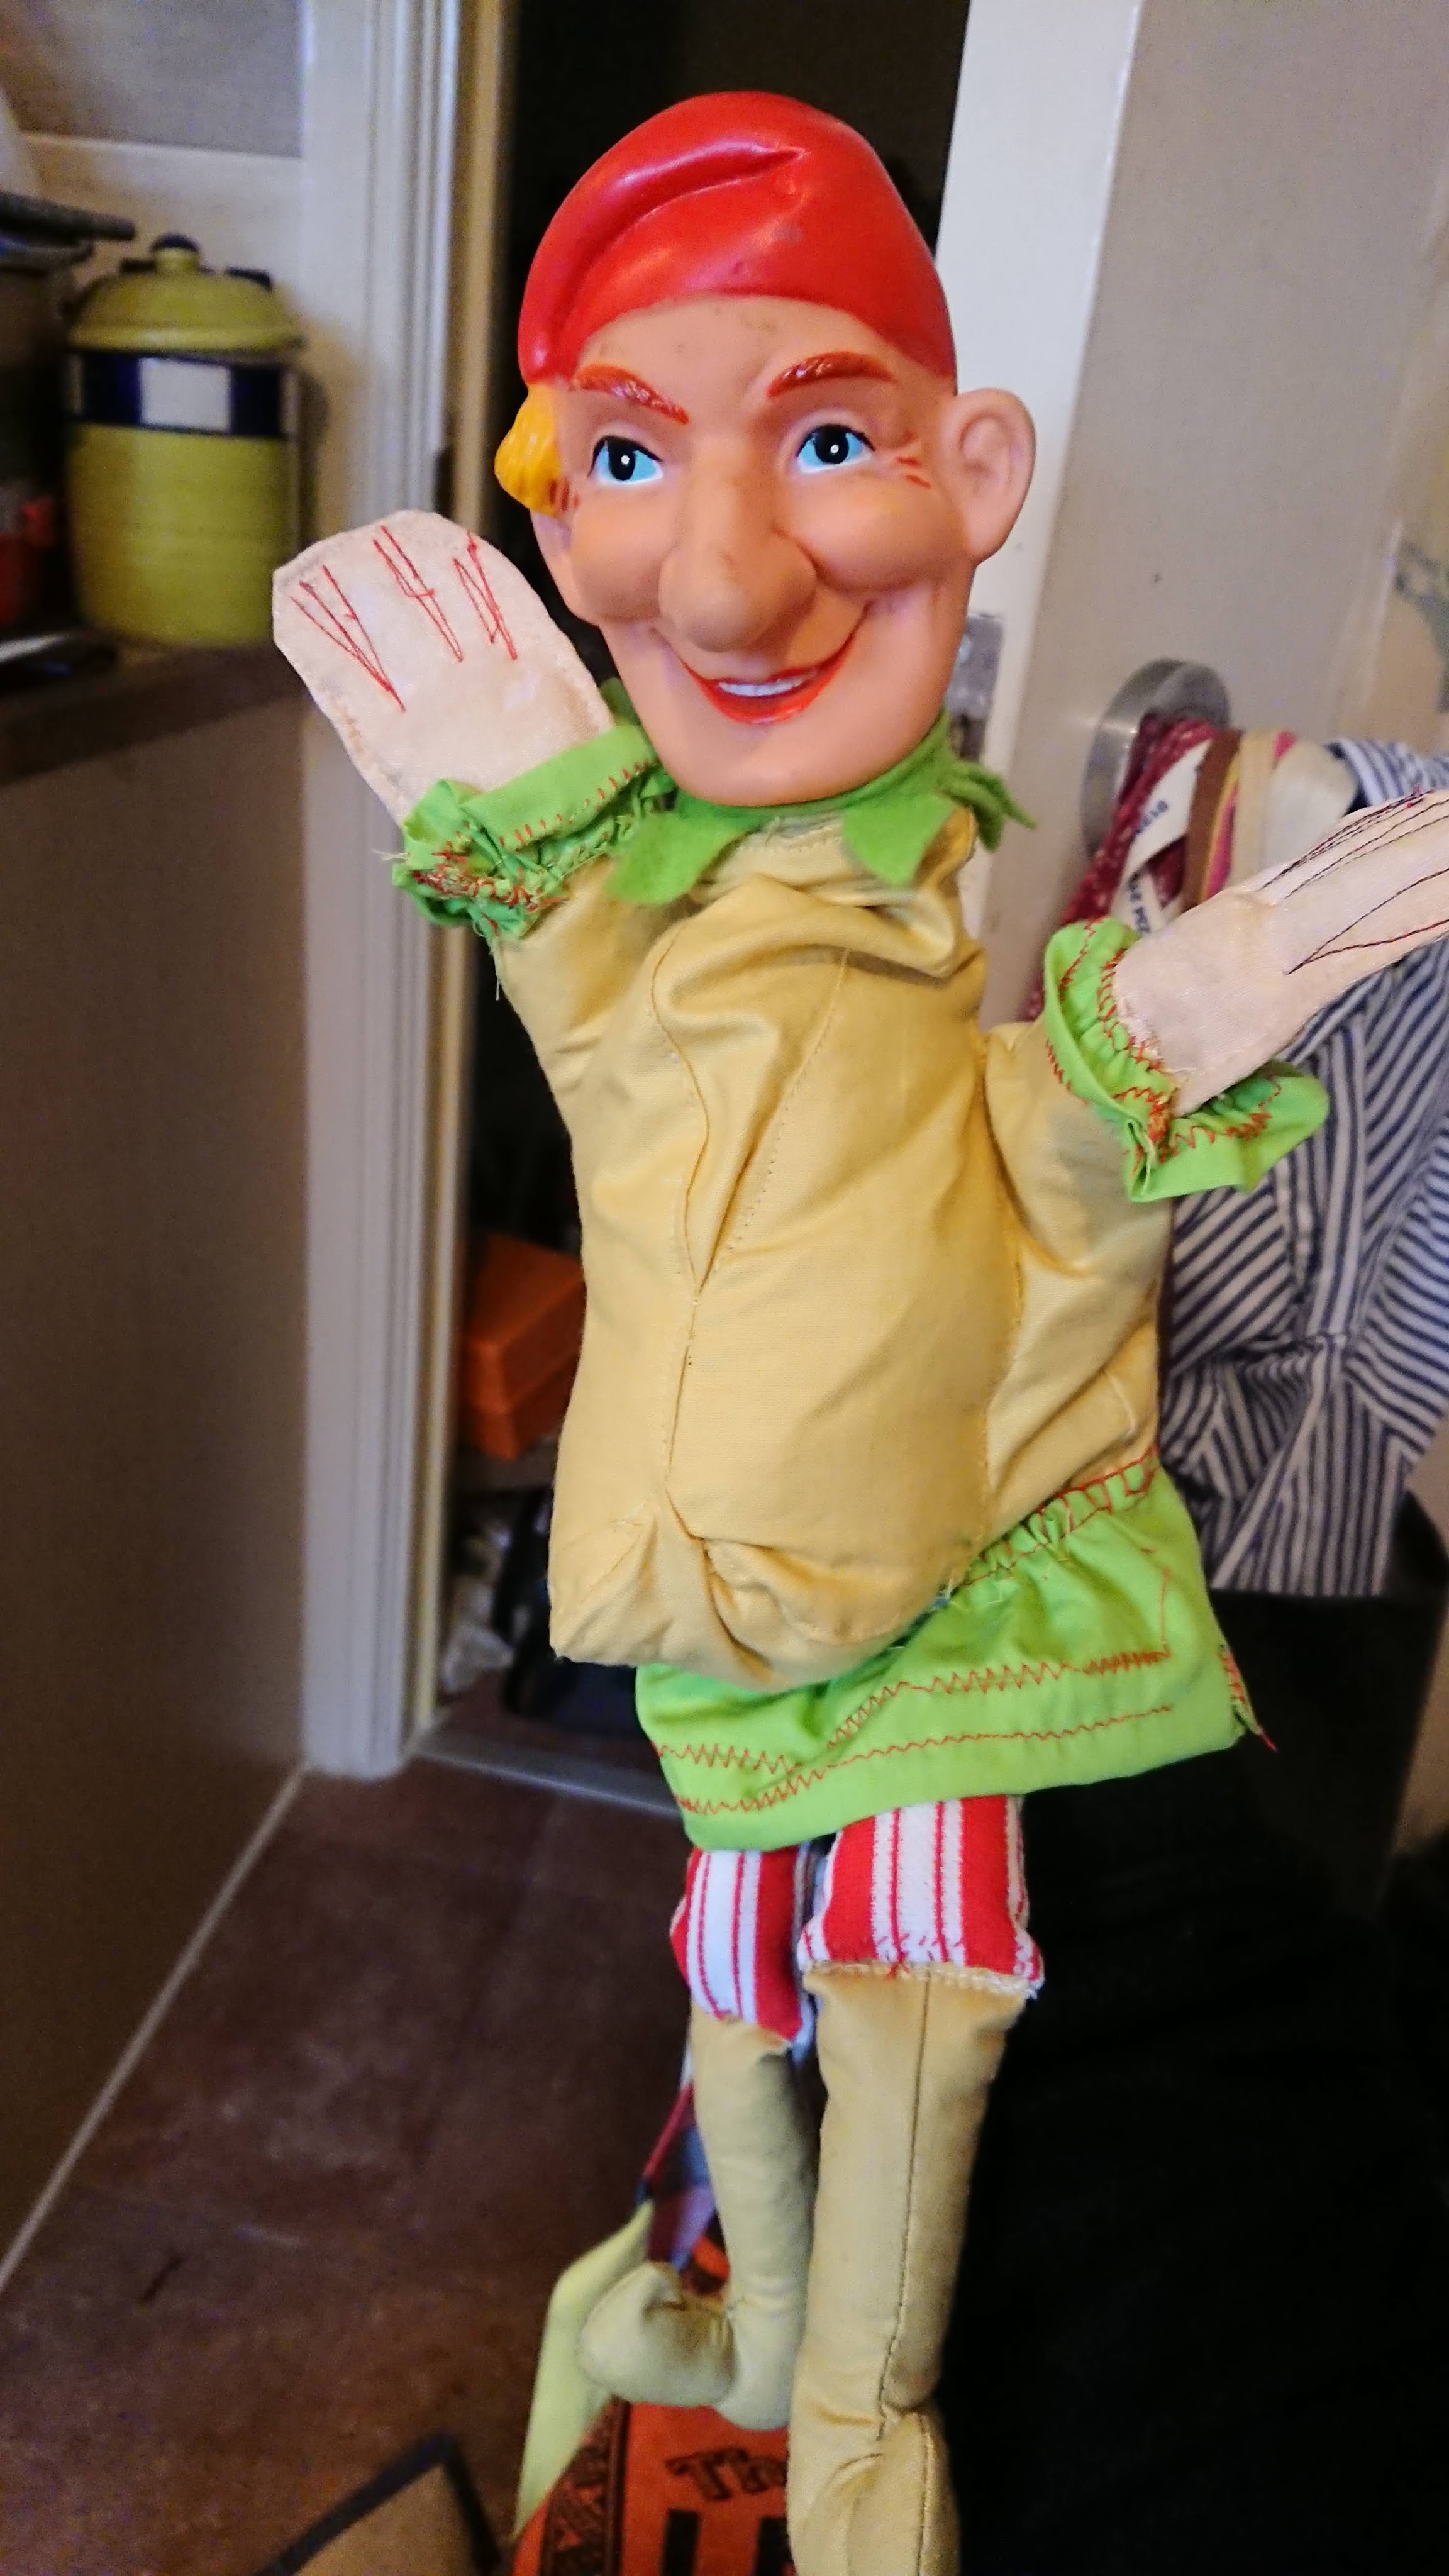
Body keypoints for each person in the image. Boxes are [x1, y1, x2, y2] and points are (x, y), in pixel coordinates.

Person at [275, 93, 1449, 2576]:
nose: (725, 568)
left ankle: (838, 2429)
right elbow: (628, 1003)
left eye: (825, 440)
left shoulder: (983, 1084)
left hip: (1020, 1774)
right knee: (769, 2095)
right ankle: (763, 2359)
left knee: (910, 2193)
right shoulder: (627, 950)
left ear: (976, 472)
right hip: (765, 1766)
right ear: (561, 521)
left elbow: (1043, 1151)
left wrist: (1169, 1028)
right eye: (626, 458)